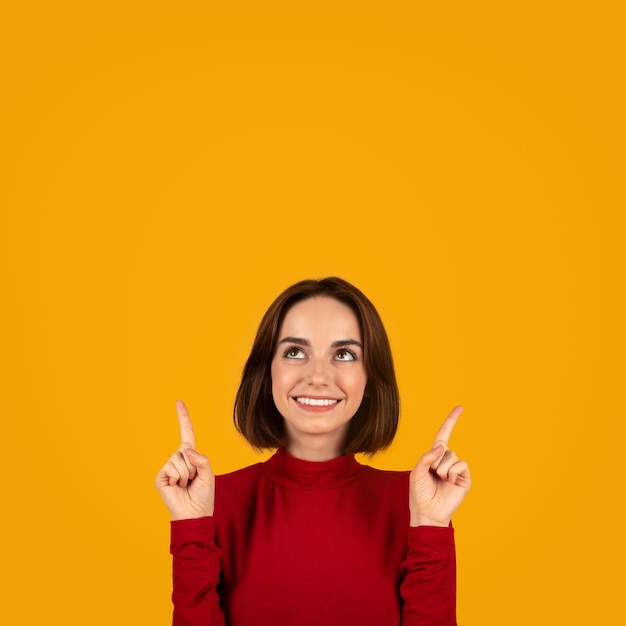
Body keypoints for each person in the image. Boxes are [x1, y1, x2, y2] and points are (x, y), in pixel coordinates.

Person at [156, 277, 471, 626]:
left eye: (344, 354)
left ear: (369, 378)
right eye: (295, 352)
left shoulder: (414, 502)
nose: (318, 376)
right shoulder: (215, 500)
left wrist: (430, 526)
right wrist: (191, 529)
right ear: (268, 371)